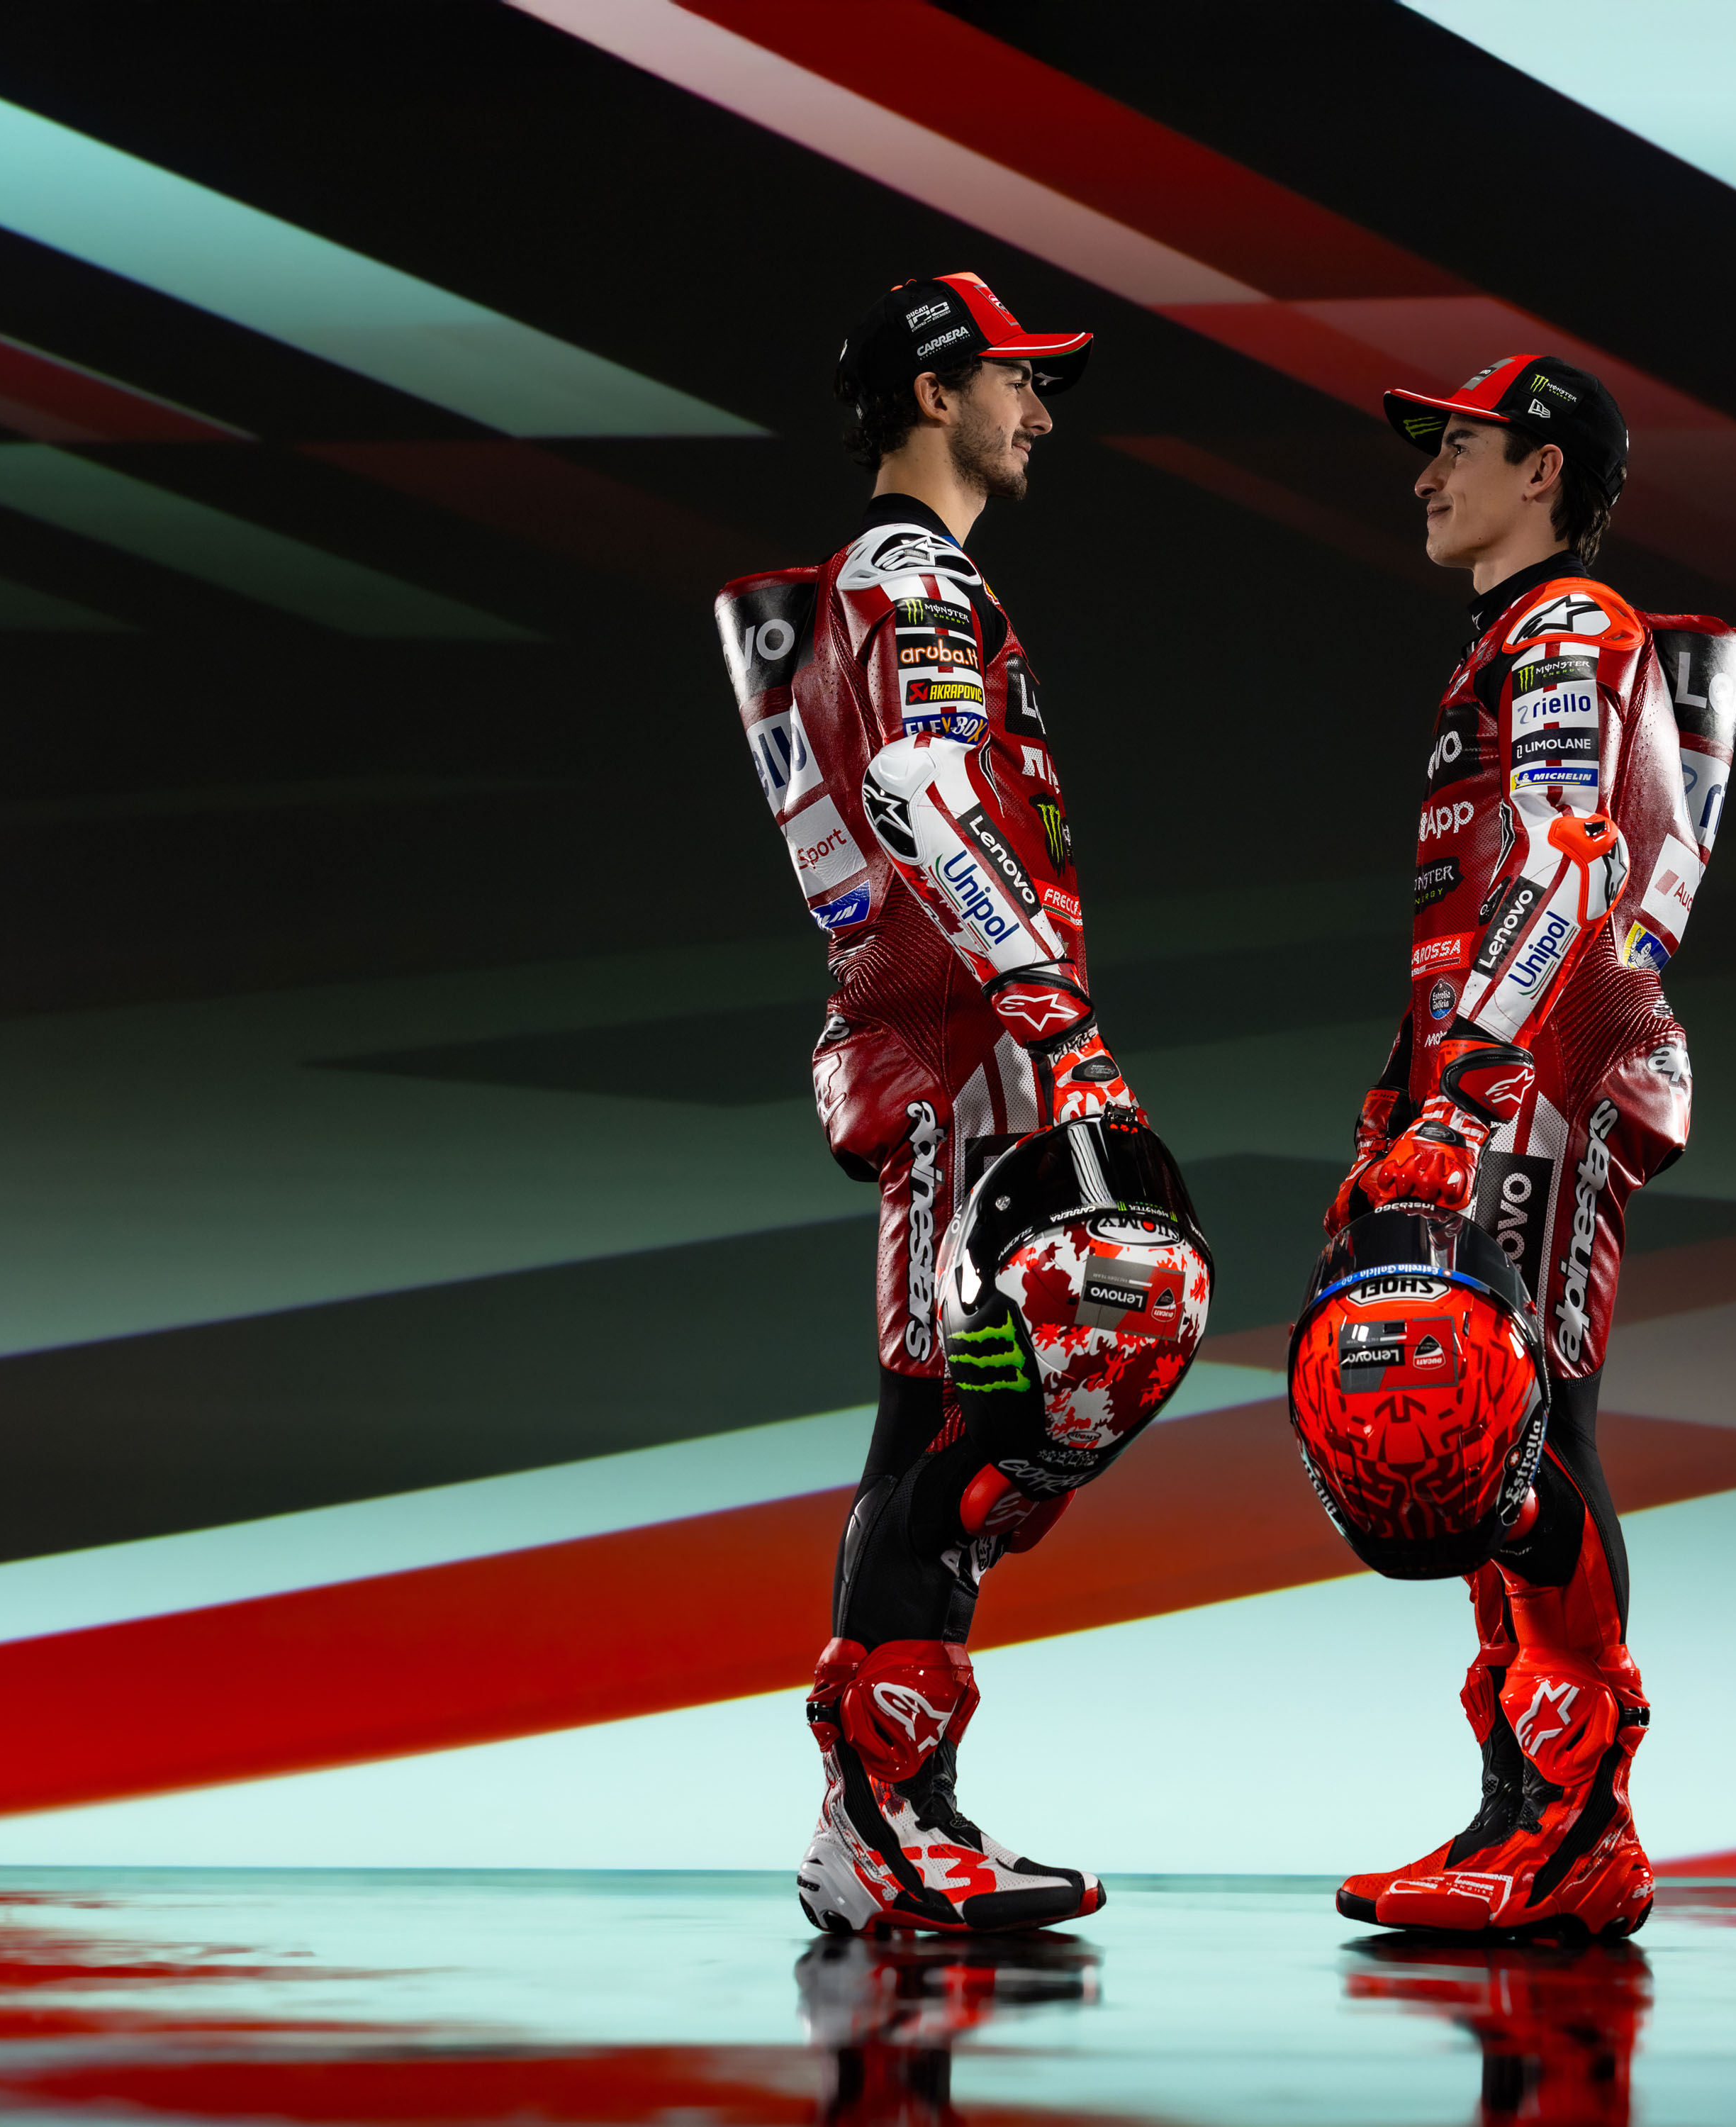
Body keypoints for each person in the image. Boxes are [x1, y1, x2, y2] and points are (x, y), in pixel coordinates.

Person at [715, 272, 1166, 1934]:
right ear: (933, 393)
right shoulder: (913, 578)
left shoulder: (910, 577)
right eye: (1016, 379)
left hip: (967, 1052)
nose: (1038, 410)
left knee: (971, 1424)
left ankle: (903, 1816)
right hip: (971, 1062)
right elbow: (919, 789)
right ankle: (876, 1825)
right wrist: (1046, 1011)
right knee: (948, 1427)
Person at [1298, 354, 1736, 1938]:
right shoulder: (1514, 638)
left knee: (1527, 1423)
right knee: (1483, 1436)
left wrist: (1468, 1094)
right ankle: (1523, 1813)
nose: (1427, 477)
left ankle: (1578, 1826)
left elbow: (1568, 854)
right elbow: (1482, 913)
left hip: (1540, 1083)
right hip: (1498, 1077)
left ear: (1545, 470)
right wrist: (1405, 1088)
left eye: (1459, 448)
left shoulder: (1564, 629)